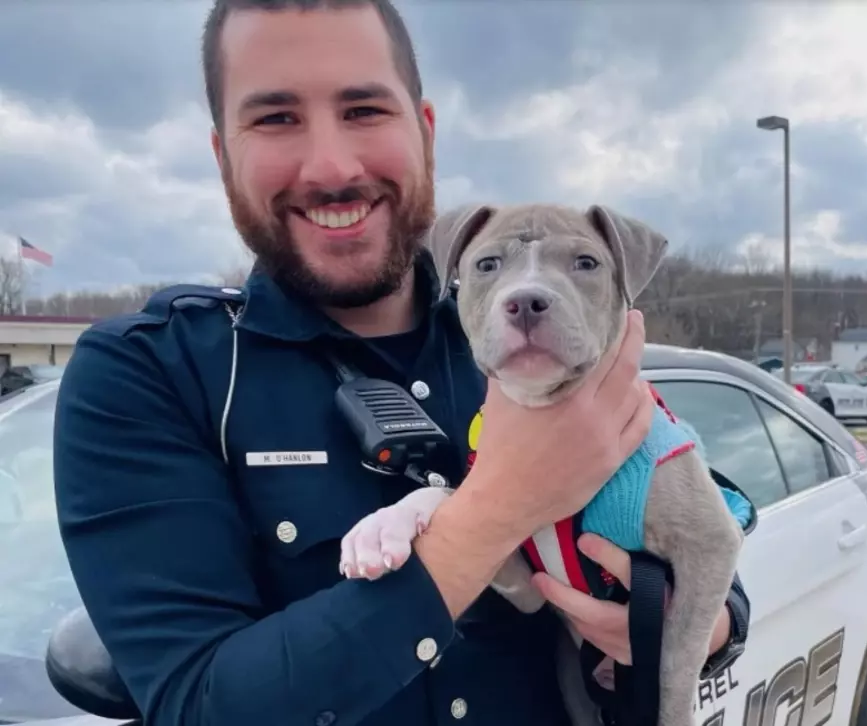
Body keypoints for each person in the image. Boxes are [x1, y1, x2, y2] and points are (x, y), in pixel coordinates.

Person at [52, 1, 750, 725]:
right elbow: (201, 706)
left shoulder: (539, 347)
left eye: (363, 110)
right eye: (276, 118)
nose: (331, 167)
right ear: (222, 154)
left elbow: (706, 526)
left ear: (425, 133)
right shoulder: (151, 375)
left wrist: (699, 619)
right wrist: (501, 505)